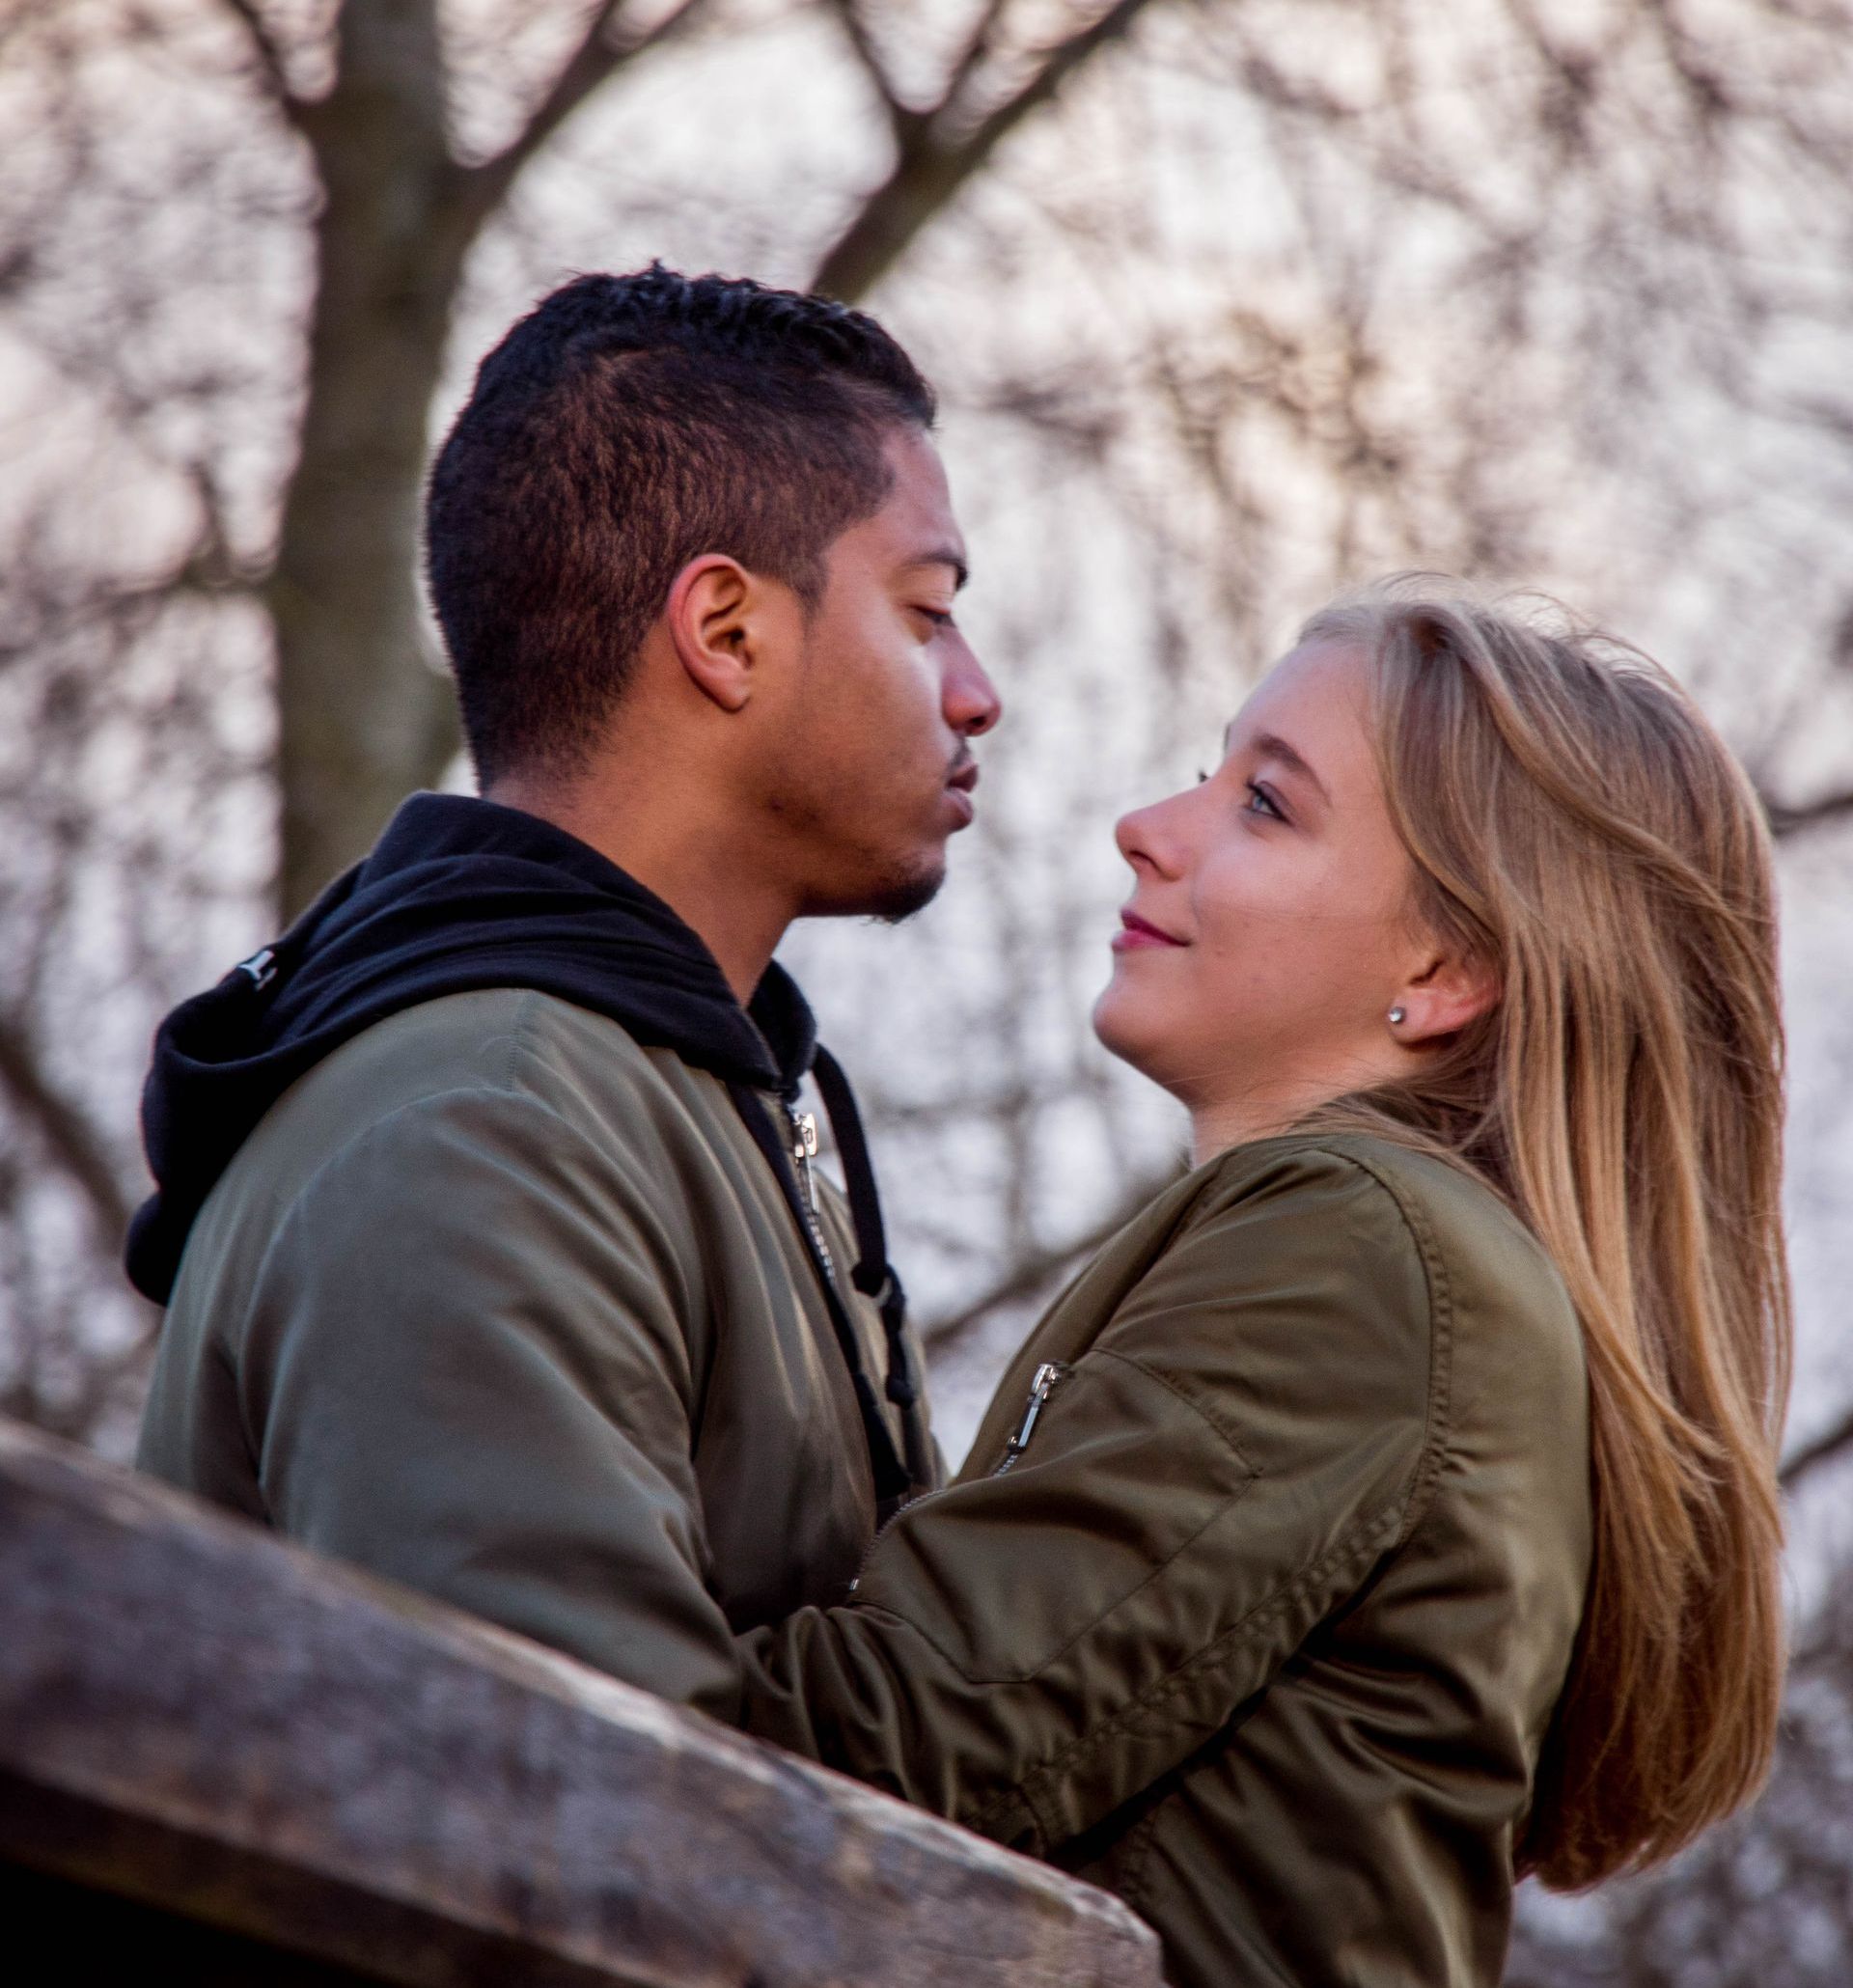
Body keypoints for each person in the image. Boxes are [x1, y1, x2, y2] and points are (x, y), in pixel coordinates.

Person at [734, 583, 1791, 1988]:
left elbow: (895, 1740)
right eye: (1205, 776)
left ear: (1446, 965)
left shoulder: (1357, 1248)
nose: (1148, 830)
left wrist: (500, 1629)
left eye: (1266, 806)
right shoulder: (1385, 1252)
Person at [131, 264, 1000, 1714]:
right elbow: (569, 1860)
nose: (974, 691)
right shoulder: (481, 1132)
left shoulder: (668, 1102)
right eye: (926, 614)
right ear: (726, 631)